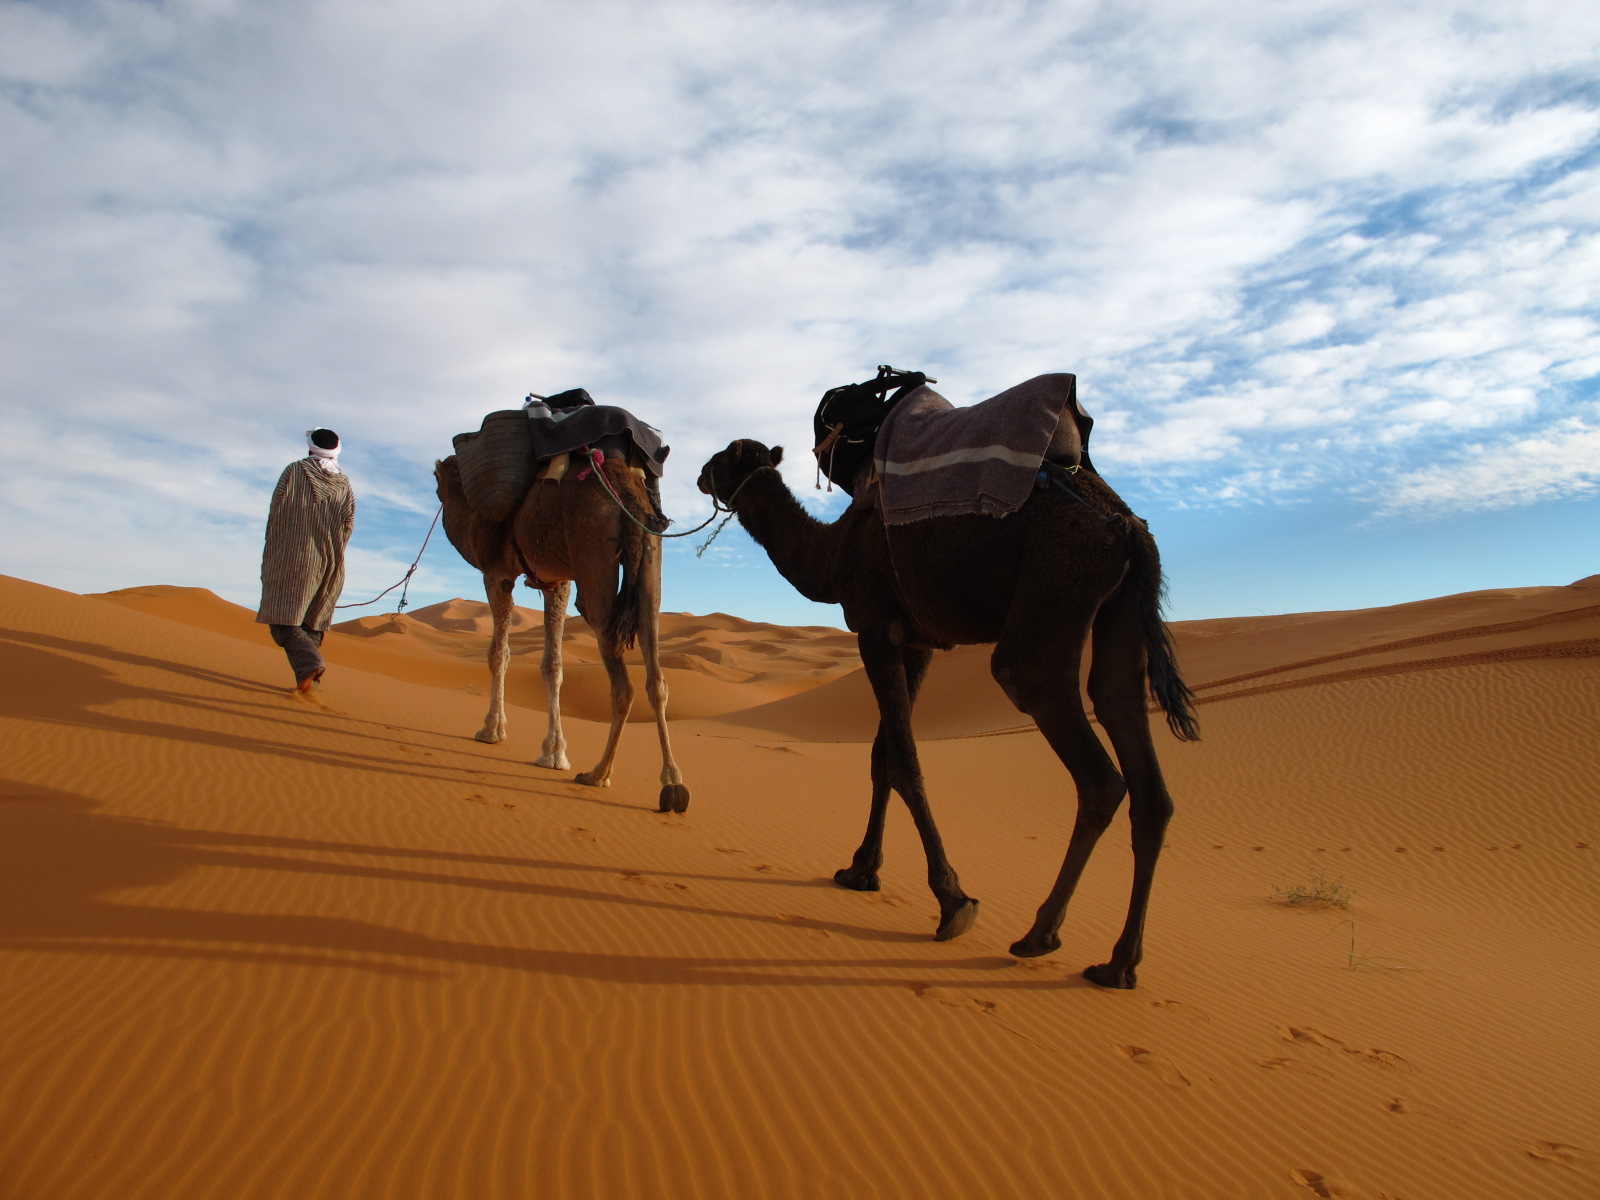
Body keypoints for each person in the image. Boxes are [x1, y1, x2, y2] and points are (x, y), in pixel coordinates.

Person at [256, 428, 356, 693]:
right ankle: (310, 683)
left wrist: (277, 544)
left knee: (283, 620)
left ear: (311, 448)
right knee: (312, 621)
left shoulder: (295, 471)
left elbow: (277, 509)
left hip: (293, 555)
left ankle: (310, 665)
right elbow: (348, 524)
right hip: (330, 561)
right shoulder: (344, 483)